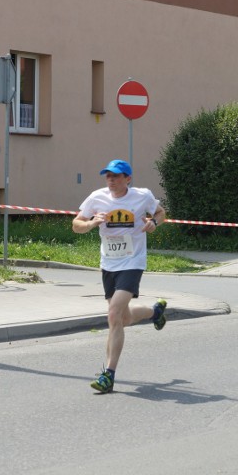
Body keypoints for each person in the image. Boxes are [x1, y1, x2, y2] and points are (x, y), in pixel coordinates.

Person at [72, 159, 168, 394]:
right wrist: (91, 223)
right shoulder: (97, 197)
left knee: (113, 314)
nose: (111, 180)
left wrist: (154, 223)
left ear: (128, 178)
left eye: (116, 176)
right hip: (109, 264)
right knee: (122, 319)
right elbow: (76, 224)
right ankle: (155, 312)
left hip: (133, 262)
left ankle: (109, 374)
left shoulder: (141, 196)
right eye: (108, 176)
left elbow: (160, 213)